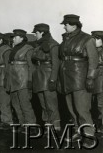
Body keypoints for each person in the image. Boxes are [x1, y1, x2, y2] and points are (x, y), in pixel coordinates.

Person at [58, 14, 98, 145]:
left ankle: (89, 135)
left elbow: (93, 61)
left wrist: (91, 78)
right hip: (67, 78)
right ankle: (77, 131)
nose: (64, 27)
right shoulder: (66, 39)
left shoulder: (87, 39)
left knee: (82, 109)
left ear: (74, 25)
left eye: (66, 24)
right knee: (71, 108)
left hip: (80, 79)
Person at [31, 24, 61, 132]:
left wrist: (53, 79)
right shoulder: (39, 45)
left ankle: (56, 126)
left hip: (48, 76)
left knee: (51, 103)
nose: (35, 35)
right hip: (39, 76)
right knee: (43, 103)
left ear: (42, 32)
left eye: (37, 33)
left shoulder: (53, 45)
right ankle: (48, 124)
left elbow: (56, 63)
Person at [5, 29, 36, 132]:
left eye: (15, 37)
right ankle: (23, 124)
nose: (13, 39)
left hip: (23, 80)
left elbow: (31, 67)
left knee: (25, 104)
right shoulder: (13, 49)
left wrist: (30, 81)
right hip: (13, 80)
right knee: (16, 104)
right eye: (13, 37)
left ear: (22, 38)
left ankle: (31, 126)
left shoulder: (28, 49)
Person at [91, 31, 103, 133]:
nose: (94, 40)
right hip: (96, 81)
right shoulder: (94, 50)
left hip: (100, 80)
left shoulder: (100, 52)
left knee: (101, 104)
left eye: (96, 38)